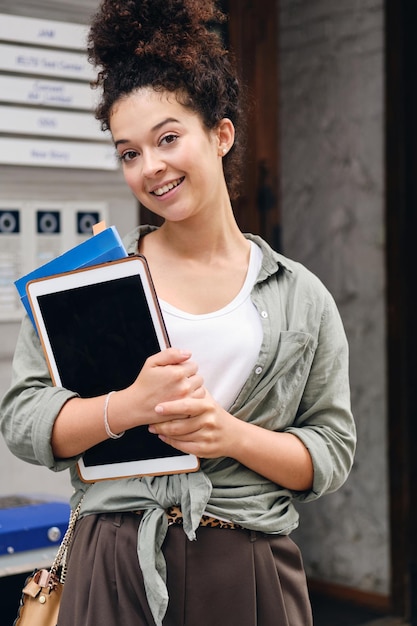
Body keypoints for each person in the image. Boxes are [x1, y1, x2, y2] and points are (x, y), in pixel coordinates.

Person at [0, 1, 356, 625]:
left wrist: (230, 435)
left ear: (220, 133)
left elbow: (329, 453)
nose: (150, 167)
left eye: (168, 138)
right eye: (129, 152)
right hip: (113, 561)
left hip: (245, 564)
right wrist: (125, 408)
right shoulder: (87, 282)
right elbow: (23, 418)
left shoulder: (301, 296)